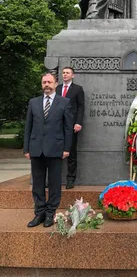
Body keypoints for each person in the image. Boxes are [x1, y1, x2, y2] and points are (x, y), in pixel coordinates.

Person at [24, 73, 73, 228]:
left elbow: (68, 128)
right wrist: (26, 148)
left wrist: (66, 148)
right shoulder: (33, 102)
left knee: (54, 184)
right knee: (37, 184)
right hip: (36, 149)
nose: (46, 84)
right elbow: (28, 127)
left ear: (55, 84)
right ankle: (39, 213)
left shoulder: (64, 102)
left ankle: (50, 213)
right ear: (41, 84)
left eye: (49, 82)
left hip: (55, 149)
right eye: (44, 82)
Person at [56, 67, 85, 189]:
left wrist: (78, 122)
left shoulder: (77, 89)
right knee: (55, 152)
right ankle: (53, 179)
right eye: (63, 73)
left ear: (73, 75)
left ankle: (70, 179)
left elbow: (81, 107)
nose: (65, 75)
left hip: (71, 126)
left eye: (67, 73)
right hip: (57, 125)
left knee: (71, 152)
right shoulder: (57, 88)